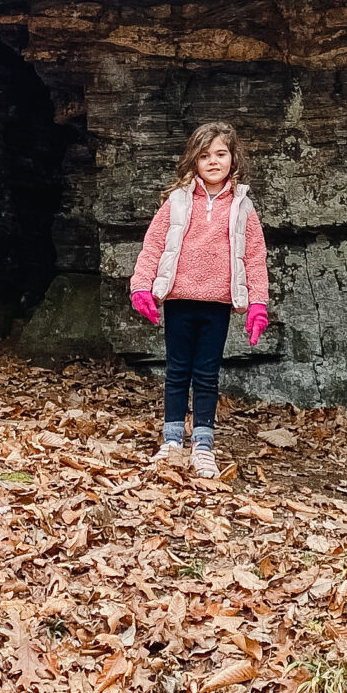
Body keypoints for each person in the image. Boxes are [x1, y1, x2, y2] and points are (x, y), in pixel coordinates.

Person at [130, 121, 269, 479]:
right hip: (179, 299)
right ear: (193, 161)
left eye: (220, 154)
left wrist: (258, 303)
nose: (213, 162)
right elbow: (153, 246)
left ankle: (203, 446)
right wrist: (141, 286)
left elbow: (255, 256)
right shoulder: (176, 203)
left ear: (233, 158)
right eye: (204, 155)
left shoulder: (243, 207)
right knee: (177, 371)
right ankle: (172, 440)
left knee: (206, 375)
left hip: (217, 303)